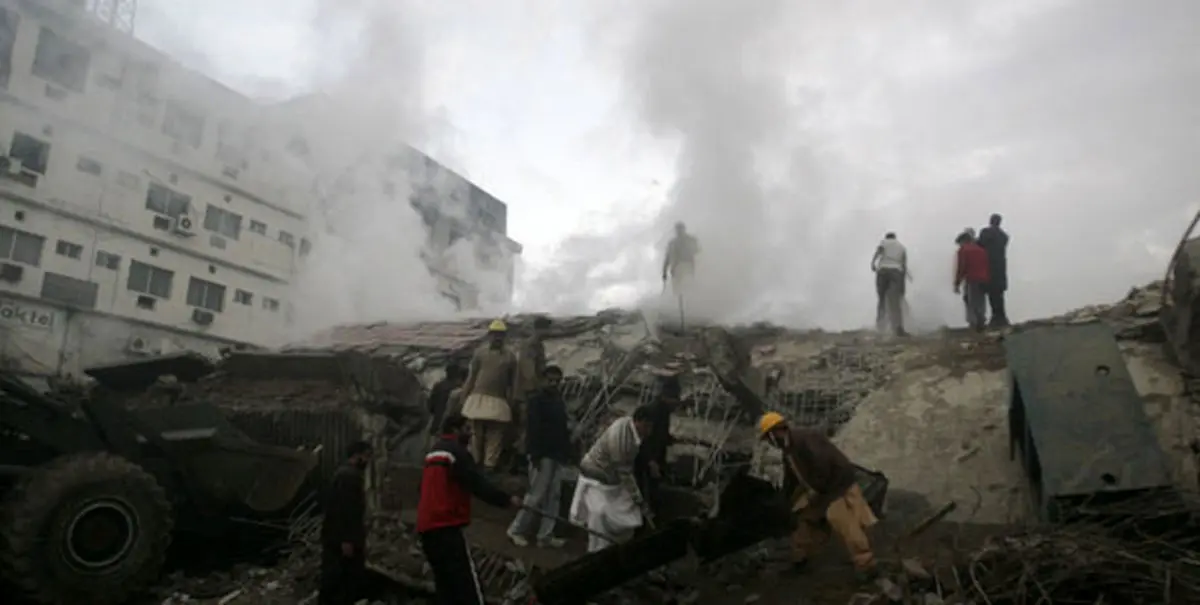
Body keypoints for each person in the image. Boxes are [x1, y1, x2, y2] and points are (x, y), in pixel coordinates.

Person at [758, 412, 878, 582]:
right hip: (823, 491)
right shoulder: (789, 448)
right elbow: (791, 477)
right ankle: (801, 557)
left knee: (844, 522)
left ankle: (867, 565)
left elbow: (823, 465)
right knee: (805, 518)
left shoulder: (804, 439)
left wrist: (817, 492)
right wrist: (784, 500)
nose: (770, 442)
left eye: (769, 437)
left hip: (837, 487)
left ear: (775, 431)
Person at [418, 414, 523, 605]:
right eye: (467, 429)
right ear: (455, 430)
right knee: (466, 586)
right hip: (446, 526)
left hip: (426, 528)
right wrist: (506, 500)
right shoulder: (457, 453)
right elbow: (477, 484)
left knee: (444, 585)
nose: (471, 433)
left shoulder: (432, 452)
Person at [570, 405, 656, 552]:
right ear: (638, 422)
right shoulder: (620, 433)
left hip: (613, 479)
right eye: (646, 426)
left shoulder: (634, 433)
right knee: (600, 513)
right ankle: (596, 549)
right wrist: (639, 499)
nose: (648, 432)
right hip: (596, 476)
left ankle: (615, 545)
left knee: (627, 507)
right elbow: (623, 470)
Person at [507, 365, 571, 548]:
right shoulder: (537, 401)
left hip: (556, 455)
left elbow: (561, 430)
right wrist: (535, 455)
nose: (553, 384)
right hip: (542, 455)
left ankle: (545, 535)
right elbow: (533, 430)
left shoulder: (558, 401)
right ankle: (516, 530)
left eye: (557, 381)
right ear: (543, 380)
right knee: (536, 496)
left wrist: (565, 452)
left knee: (554, 496)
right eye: (550, 380)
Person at [460, 319, 518, 472]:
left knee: (495, 435)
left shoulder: (510, 357)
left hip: (498, 400)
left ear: (504, 336)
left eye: (500, 334)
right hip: (479, 397)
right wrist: (465, 394)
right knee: (476, 433)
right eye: (495, 334)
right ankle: (474, 463)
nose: (497, 337)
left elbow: (513, 383)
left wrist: (512, 401)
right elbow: (472, 376)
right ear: (490, 335)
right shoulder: (480, 353)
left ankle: (489, 466)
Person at [319, 441, 373, 605]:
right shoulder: (350, 477)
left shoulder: (344, 474)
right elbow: (346, 511)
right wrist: (347, 540)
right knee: (341, 584)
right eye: (366, 456)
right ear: (357, 455)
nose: (368, 460)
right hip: (341, 542)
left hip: (337, 539)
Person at [635, 375, 682, 517]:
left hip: (657, 457)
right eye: (675, 399)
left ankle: (653, 514)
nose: (677, 403)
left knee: (655, 490)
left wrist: (671, 439)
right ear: (666, 397)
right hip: (645, 460)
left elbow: (661, 434)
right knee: (645, 491)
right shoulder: (651, 411)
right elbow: (641, 440)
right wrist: (651, 461)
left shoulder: (664, 411)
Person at [510, 316, 552, 465]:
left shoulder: (538, 345)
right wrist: (537, 388)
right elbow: (528, 370)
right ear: (540, 329)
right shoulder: (530, 345)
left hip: (531, 392)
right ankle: (520, 459)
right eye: (547, 328)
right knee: (526, 426)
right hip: (527, 394)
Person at [870, 232, 909, 337]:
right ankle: (898, 327)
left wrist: (873, 263)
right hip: (897, 272)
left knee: (882, 298)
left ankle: (881, 327)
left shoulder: (884, 242)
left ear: (887, 237)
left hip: (883, 271)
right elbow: (904, 264)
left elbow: (878, 252)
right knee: (895, 301)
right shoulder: (901, 247)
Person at [976, 213, 1010, 327]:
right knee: (999, 294)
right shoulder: (1004, 236)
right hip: (1000, 267)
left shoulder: (986, 232)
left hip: (988, 266)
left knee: (992, 294)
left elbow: (979, 245)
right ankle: (1000, 317)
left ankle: (996, 318)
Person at [954, 231, 990, 332]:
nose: (959, 245)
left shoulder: (963, 250)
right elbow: (987, 265)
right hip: (984, 279)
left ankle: (973, 324)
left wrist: (957, 283)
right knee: (980, 301)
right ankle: (981, 320)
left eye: (959, 243)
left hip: (971, 279)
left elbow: (961, 268)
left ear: (963, 241)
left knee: (970, 302)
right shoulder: (982, 250)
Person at [427, 362, 468, 448]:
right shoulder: (459, 390)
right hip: (453, 429)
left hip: (436, 426)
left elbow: (430, 407)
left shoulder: (438, 386)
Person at [662, 221, 700, 296]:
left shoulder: (691, 240)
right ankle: (679, 305)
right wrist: (664, 271)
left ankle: (690, 303)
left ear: (684, 229)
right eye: (677, 229)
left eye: (680, 229)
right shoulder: (672, 243)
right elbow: (667, 258)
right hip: (676, 269)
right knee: (677, 289)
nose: (679, 231)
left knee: (688, 287)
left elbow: (698, 253)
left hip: (688, 267)